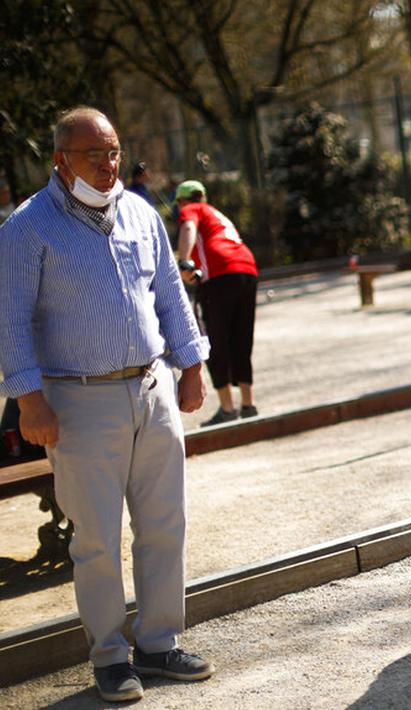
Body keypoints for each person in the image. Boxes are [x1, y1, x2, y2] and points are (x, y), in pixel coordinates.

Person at [0, 107, 214, 702]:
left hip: (153, 387)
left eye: (113, 149)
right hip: (77, 399)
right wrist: (27, 399)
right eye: (93, 153)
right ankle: (110, 657)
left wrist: (191, 364)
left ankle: (159, 641)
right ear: (61, 161)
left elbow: (169, 293)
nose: (107, 162)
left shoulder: (141, 212)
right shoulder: (27, 227)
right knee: (95, 537)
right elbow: (9, 318)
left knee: (165, 523)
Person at [174, 180, 260, 425]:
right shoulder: (217, 213)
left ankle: (227, 408)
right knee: (242, 336)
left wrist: (184, 261)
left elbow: (188, 228)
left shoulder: (191, 209)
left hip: (219, 274)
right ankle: (248, 403)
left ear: (183, 201)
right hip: (247, 268)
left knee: (214, 339)